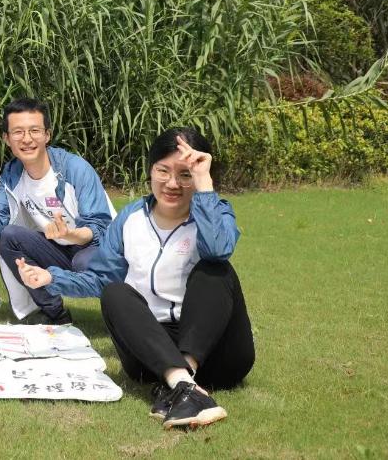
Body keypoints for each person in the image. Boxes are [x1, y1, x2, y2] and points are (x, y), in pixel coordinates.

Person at [16, 128, 255, 430]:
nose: (172, 183)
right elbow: (100, 280)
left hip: (218, 356)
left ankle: (181, 381)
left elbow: (218, 249)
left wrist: (205, 185)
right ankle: (182, 385)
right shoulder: (130, 220)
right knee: (115, 292)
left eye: (185, 174)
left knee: (216, 269)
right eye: (163, 171)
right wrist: (51, 277)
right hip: (150, 354)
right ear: (150, 171)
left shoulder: (215, 212)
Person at [0, 99, 115, 324]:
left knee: (83, 262)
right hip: (58, 248)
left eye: (34, 131)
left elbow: (100, 228)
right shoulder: (11, 173)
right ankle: (54, 313)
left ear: (47, 135)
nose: (27, 139)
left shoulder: (75, 168)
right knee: (8, 236)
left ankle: (125, 314)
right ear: (6, 138)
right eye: (18, 132)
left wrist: (70, 234)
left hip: (96, 249)